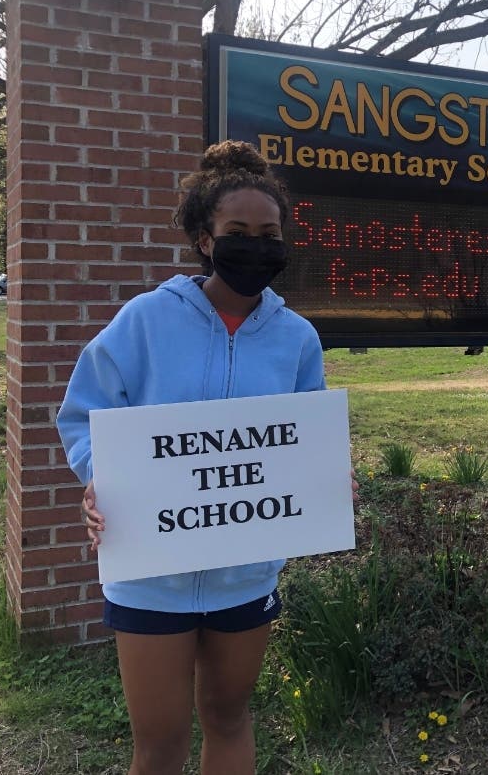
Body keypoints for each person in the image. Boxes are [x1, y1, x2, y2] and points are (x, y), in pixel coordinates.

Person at [57, 141, 335, 775]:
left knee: (230, 718)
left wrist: (323, 479)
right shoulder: (145, 321)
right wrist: (102, 479)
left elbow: (304, 434)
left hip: (247, 571)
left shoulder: (297, 337)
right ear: (205, 239)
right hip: (151, 573)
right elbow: (84, 413)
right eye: (238, 232)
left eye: (269, 233)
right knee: (158, 745)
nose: (255, 244)